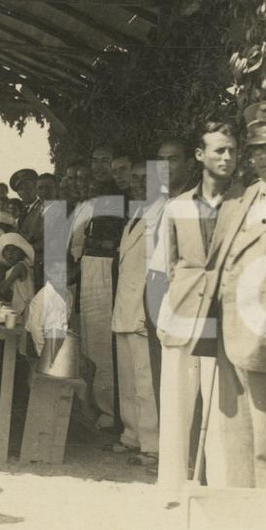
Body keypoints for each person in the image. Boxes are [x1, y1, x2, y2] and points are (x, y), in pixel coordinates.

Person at [154, 118, 249, 493]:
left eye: (232, 151)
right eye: (219, 150)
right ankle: (171, 489)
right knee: (177, 404)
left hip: (225, 316)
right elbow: (164, 267)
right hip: (181, 312)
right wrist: (163, 317)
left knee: (221, 409)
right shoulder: (177, 207)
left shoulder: (245, 203)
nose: (227, 157)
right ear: (200, 155)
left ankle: (221, 491)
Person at [217, 101, 266, 489]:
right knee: (235, 430)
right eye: (256, 150)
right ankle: (240, 507)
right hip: (232, 324)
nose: (262, 157)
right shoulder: (249, 195)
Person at [69, 145, 126, 430]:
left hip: (105, 270)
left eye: (107, 160)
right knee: (90, 340)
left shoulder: (122, 194)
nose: (100, 166)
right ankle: (94, 406)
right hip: (88, 269)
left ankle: (110, 411)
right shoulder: (93, 197)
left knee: (103, 342)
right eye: (96, 160)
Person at [110, 159, 159, 466]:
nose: (140, 183)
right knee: (128, 378)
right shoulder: (135, 215)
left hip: (142, 308)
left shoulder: (160, 215)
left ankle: (152, 444)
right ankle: (132, 435)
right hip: (124, 307)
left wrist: (148, 308)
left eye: (146, 178)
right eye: (136, 177)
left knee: (145, 380)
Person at [143, 136, 196, 410]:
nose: (165, 166)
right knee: (160, 375)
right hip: (154, 290)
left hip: (177, 292)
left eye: (173, 159)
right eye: (160, 160)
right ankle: (168, 450)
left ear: (190, 162)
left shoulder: (195, 202)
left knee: (181, 377)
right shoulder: (161, 202)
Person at [0, 233, 36, 316]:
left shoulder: (20, 267)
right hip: (19, 308)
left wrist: (0, 269)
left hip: (24, 310)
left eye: (14, 250)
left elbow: (2, 290)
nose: (10, 253)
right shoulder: (14, 267)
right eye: (7, 250)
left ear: (22, 252)